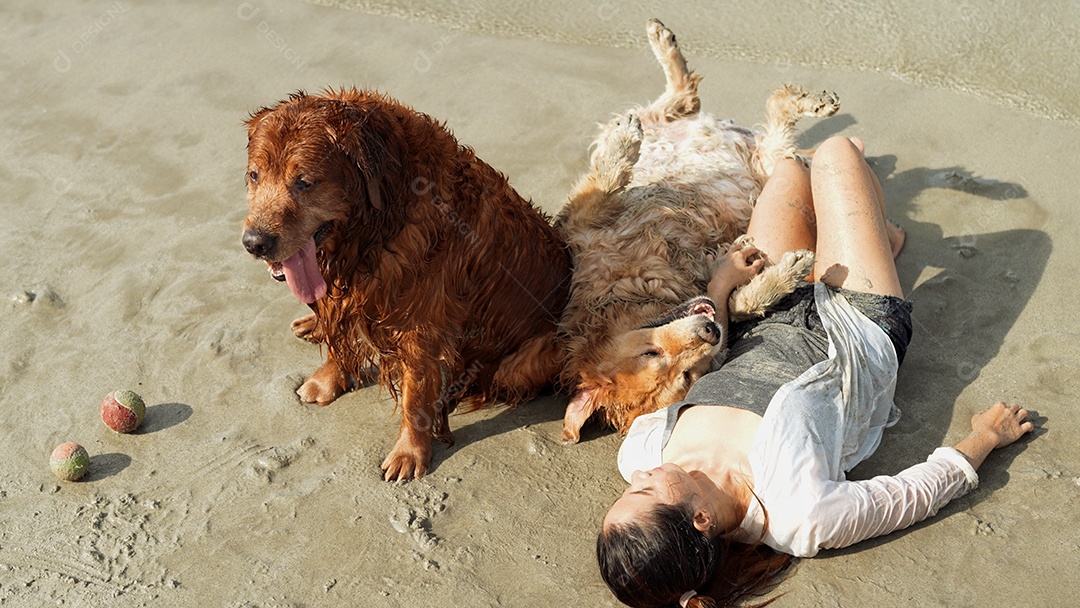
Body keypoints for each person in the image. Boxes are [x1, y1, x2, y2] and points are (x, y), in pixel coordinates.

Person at [596, 136, 1034, 608]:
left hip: (764, 310)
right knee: (836, 154)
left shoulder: (641, 453)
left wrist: (721, 289)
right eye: (645, 491)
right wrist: (986, 439)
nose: (638, 476)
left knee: (788, 170)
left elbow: (700, 366)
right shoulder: (799, 515)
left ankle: (868, 240)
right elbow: (912, 495)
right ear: (700, 519)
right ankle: (872, 242)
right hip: (856, 324)